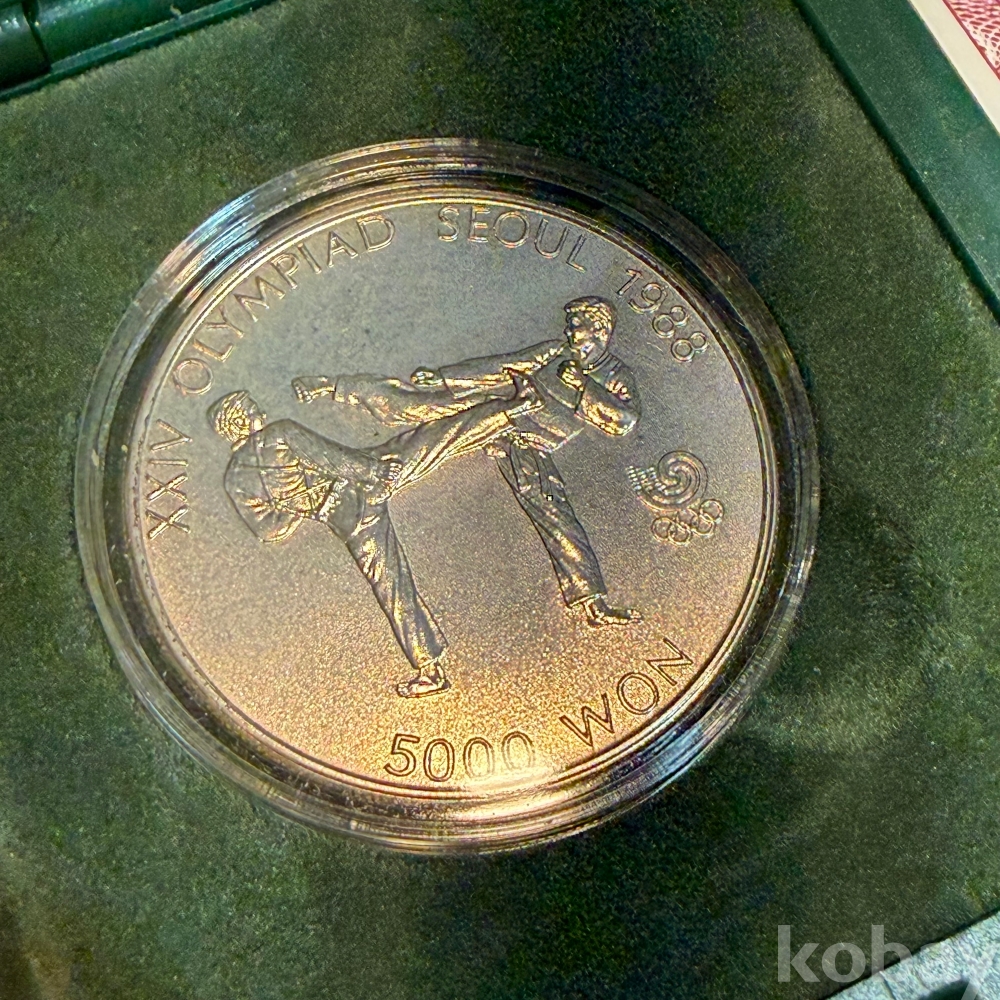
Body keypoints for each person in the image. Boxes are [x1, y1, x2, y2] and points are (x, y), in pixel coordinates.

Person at [293, 296, 641, 628]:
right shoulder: (556, 351)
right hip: (497, 406)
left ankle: (593, 603)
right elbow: (506, 365)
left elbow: (624, 420)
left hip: (525, 441)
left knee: (553, 510)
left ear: (599, 330)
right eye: (570, 324)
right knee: (419, 408)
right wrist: (447, 377)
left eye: (576, 325)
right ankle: (334, 388)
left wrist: (584, 387)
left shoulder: (614, 374)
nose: (569, 331)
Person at [210, 378, 542, 698]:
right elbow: (330, 457)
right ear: (238, 422)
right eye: (252, 409)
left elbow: (270, 530)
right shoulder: (278, 434)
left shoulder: (234, 480)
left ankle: (429, 669)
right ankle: (516, 408)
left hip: (345, 518)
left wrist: (304, 504)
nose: (260, 412)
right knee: (436, 438)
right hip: (365, 476)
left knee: (390, 585)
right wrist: (375, 471)